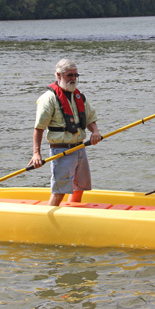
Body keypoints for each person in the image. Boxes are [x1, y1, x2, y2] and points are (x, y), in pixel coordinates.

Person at [29, 59, 102, 206]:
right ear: (58, 75)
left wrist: (95, 131)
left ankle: (72, 213)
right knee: (60, 191)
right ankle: (47, 221)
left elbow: (89, 118)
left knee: (80, 187)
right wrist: (36, 153)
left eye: (76, 75)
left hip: (80, 148)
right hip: (61, 150)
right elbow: (39, 128)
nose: (74, 79)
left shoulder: (79, 96)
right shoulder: (48, 99)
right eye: (70, 75)